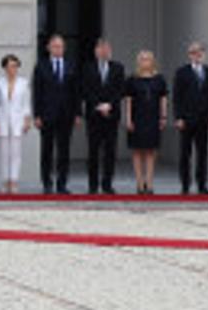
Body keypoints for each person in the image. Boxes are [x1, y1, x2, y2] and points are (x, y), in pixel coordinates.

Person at [32, 34, 80, 194]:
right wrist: (37, 115)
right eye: (55, 46)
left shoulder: (71, 65)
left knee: (64, 151)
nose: (58, 49)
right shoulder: (41, 66)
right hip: (47, 114)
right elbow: (37, 92)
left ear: (64, 48)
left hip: (66, 114)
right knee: (47, 150)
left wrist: (77, 114)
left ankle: (62, 184)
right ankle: (47, 183)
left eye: (60, 46)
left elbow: (76, 91)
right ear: (48, 48)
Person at [172, 42, 208, 195]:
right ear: (189, 55)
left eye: (200, 52)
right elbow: (177, 96)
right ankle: (185, 185)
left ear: (203, 54)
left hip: (204, 119)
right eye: (194, 52)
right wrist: (178, 117)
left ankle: (202, 185)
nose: (197, 55)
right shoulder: (182, 72)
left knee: (202, 153)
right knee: (185, 153)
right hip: (186, 119)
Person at [80, 38, 125, 194]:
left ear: (110, 51)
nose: (104, 52)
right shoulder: (87, 68)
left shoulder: (118, 68)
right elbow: (85, 89)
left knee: (110, 152)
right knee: (93, 151)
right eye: (101, 49)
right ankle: (92, 185)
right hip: (94, 115)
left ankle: (107, 184)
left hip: (112, 116)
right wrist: (98, 105)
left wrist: (109, 105)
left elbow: (120, 90)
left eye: (107, 49)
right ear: (96, 51)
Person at [124, 50, 168, 196]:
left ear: (152, 61)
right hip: (137, 118)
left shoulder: (159, 79)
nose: (145, 62)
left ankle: (149, 183)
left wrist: (163, 117)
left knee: (151, 151)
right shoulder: (132, 79)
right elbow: (128, 100)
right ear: (138, 62)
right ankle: (139, 182)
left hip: (153, 118)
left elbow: (163, 99)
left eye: (148, 59)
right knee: (137, 151)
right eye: (142, 59)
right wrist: (128, 119)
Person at [0, 54, 33, 194]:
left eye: (15, 66)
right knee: (4, 153)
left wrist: (27, 120)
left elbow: (26, 103)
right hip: (3, 120)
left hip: (18, 120)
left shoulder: (24, 83)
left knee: (16, 153)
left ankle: (14, 181)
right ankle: (5, 181)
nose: (13, 69)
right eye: (10, 66)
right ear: (5, 67)